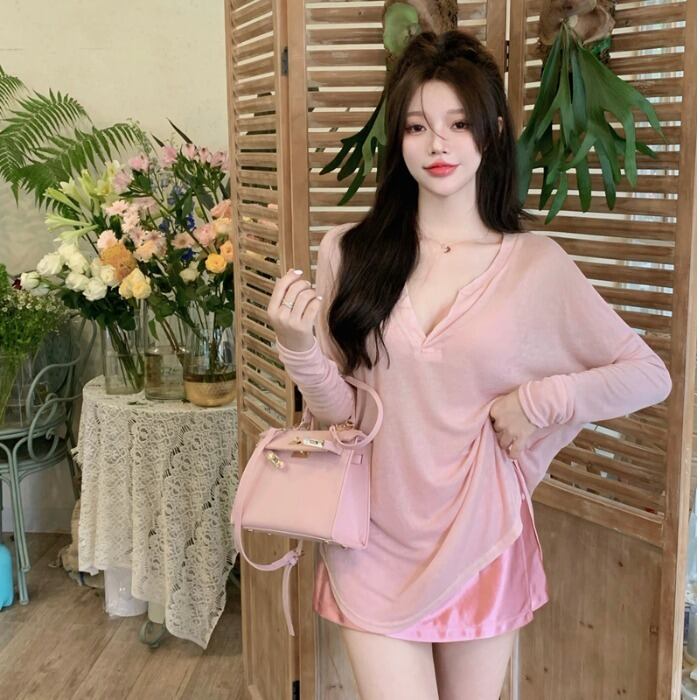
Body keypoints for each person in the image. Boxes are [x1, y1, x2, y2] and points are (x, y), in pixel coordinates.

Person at [266, 29, 673, 700]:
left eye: (458, 124)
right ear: (398, 140)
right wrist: (300, 349)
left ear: (492, 132)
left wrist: (538, 402)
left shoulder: (536, 264)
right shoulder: (350, 250)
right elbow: (343, 415)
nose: (438, 144)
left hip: (481, 541)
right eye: (417, 126)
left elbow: (647, 374)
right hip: (371, 542)